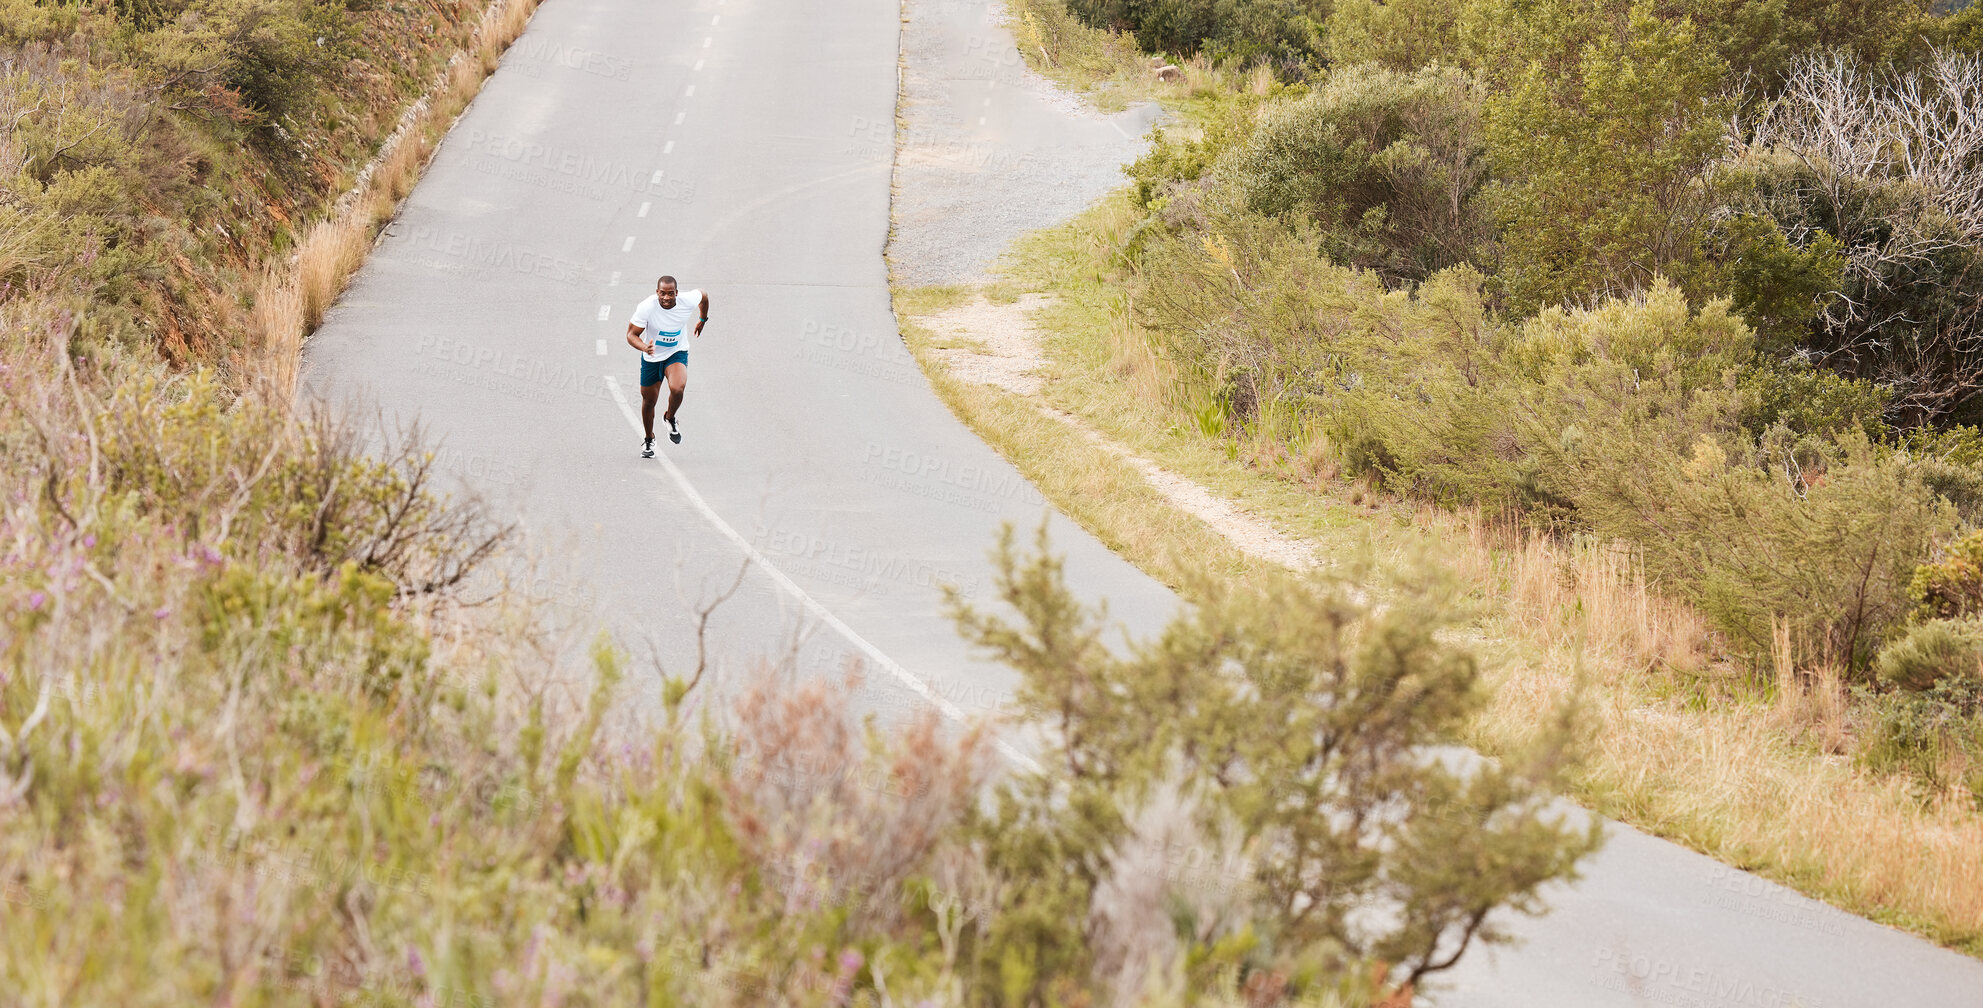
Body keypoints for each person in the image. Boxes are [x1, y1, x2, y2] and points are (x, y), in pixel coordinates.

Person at [625, 275, 709, 456]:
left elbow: (704, 295)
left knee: (677, 388)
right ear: (657, 292)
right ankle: (649, 439)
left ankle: (670, 418)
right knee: (649, 401)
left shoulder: (687, 300)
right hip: (652, 357)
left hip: (676, 352)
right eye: (662, 293)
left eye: (671, 294)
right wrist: (644, 347)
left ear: (676, 293)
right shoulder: (647, 307)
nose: (666, 298)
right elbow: (631, 335)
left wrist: (702, 320)